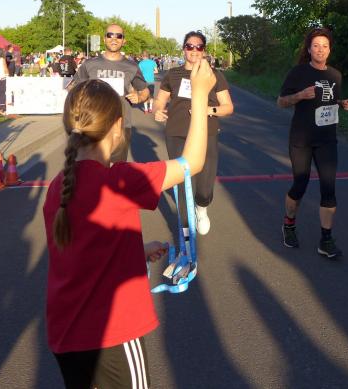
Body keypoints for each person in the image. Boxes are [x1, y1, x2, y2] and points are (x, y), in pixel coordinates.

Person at [42, 60, 215, 389]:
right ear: (118, 126)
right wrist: (200, 95)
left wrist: (135, 251)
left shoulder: (57, 187)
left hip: (65, 333)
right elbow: (191, 163)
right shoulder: (120, 179)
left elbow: (84, 251)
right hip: (113, 334)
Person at [277, 27, 348, 259]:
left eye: (325, 46)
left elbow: (331, 100)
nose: (320, 50)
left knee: (329, 188)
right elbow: (281, 102)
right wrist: (299, 95)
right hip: (301, 139)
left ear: (330, 50)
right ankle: (289, 224)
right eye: (316, 46)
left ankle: (326, 240)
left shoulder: (335, 75)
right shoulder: (298, 73)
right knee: (300, 184)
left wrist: (342, 103)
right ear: (309, 49)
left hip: (327, 139)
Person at [154, 32, 234, 235]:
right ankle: (186, 231)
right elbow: (160, 100)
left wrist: (208, 110)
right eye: (190, 46)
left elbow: (228, 107)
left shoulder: (214, 75)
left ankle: (201, 207)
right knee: (183, 182)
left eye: (199, 47)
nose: (194, 50)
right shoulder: (173, 74)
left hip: (206, 133)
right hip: (177, 133)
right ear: (184, 49)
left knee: (204, 186)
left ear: (204, 50)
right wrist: (158, 110)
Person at [68, 24, 150, 162]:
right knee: (92, 168)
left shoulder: (131, 66)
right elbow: (72, 88)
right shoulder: (90, 64)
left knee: (117, 169)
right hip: (93, 123)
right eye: (110, 35)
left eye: (119, 36)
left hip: (121, 124)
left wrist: (140, 97)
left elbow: (145, 90)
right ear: (104, 39)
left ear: (124, 41)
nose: (114, 39)